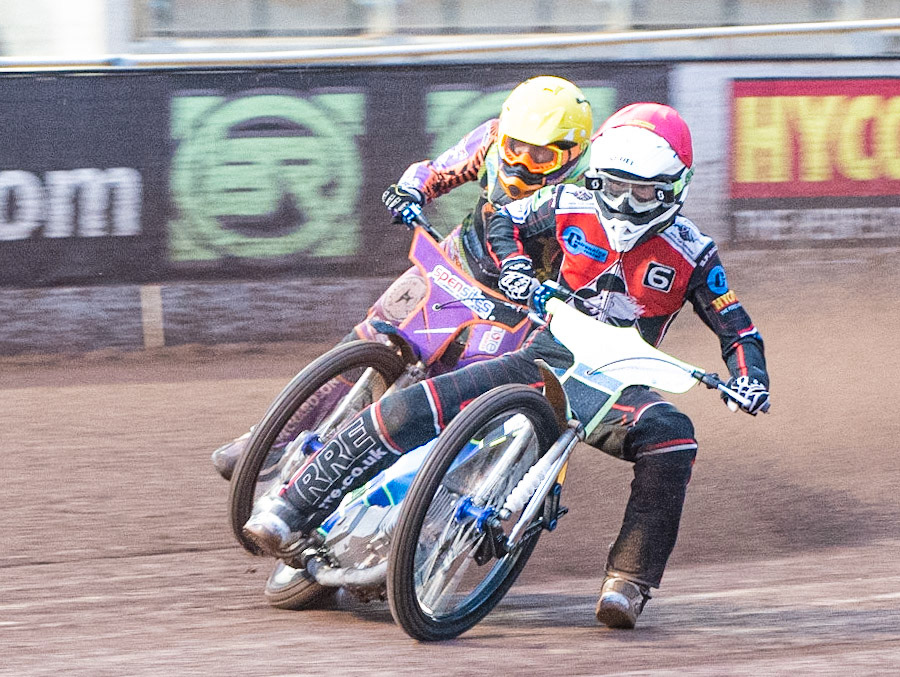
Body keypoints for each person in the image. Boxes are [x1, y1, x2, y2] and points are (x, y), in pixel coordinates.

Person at [242, 103, 771, 629]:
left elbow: (738, 328)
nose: (626, 204)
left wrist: (750, 379)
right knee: (414, 403)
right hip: (542, 355)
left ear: (674, 189)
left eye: (643, 193)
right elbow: (507, 219)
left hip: (620, 385)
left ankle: (628, 582)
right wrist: (517, 269)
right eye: (613, 187)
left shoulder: (694, 253)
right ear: (597, 178)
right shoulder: (567, 201)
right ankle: (291, 508)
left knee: (674, 437)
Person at [210, 75, 594, 480]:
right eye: (515, 148)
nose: (520, 163)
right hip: (455, 262)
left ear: (574, 153)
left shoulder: (588, 193)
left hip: (520, 305)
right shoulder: (494, 136)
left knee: (462, 392)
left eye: (540, 158)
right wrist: (410, 192)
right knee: (374, 332)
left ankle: (412, 492)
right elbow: (437, 171)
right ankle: (272, 438)